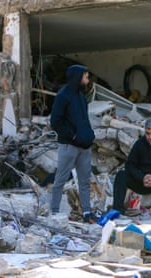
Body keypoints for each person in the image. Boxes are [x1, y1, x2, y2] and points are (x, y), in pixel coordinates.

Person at [50, 65, 97, 223]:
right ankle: (54, 212)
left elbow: (84, 119)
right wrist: (73, 136)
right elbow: (55, 121)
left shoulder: (81, 97)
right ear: (77, 77)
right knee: (60, 180)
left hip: (85, 147)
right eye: (85, 76)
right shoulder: (63, 96)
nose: (87, 79)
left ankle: (86, 212)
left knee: (84, 181)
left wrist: (89, 135)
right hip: (69, 146)